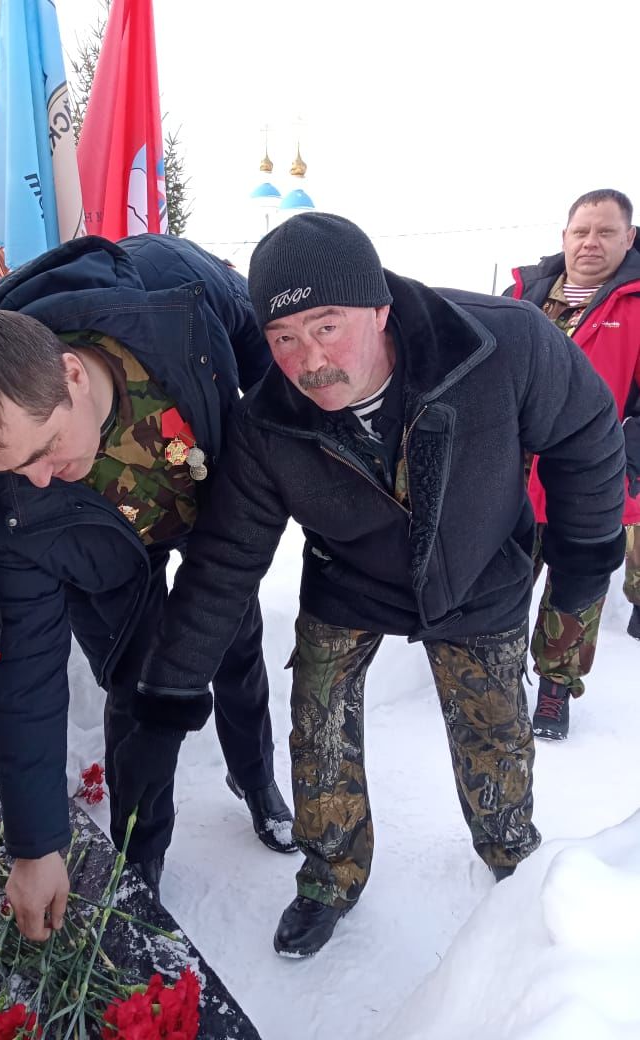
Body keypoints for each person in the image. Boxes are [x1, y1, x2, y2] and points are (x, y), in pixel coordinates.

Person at [114, 212, 627, 958]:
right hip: (349, 577)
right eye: (285, 336)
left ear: (380, 305)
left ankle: (515, 860)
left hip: (476, 570)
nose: (309, 358)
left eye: (327, 325)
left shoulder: (501, 343)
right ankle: (330, 874)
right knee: (317, 724)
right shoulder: (268, 425)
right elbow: (224, 561)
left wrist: (582, 565)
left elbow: (587, 435)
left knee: (494, 733)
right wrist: (166, 699)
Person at [0, 233, 298, 943]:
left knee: (235, 644)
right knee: (137, 687)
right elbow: (19, 668)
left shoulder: (166, 293)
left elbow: (262, 350)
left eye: (42, 451)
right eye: (8, 468)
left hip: (205, 497)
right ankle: (140, 854)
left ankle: (254, 778)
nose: (32, 479)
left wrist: (274, 442)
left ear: (71, 375)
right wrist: (35, 845)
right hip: (99, 557)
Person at [507, 189, 640, 740]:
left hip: (592, 482)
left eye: (606, 232)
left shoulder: (634, 304)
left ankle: (556, 688)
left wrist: (624, 462)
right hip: (512, 478)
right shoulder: (523, 295)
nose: (590, 243)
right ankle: (500, 672)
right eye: (581, 231)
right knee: (505, 579)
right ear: (564, 236)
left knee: (577, 587)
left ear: (629, 238)